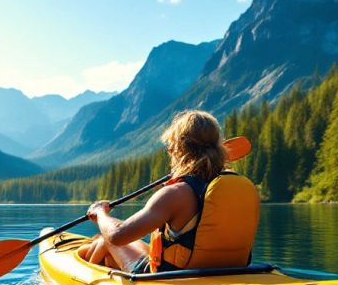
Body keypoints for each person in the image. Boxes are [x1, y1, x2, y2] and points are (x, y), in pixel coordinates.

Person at [78, 110, 260, 273]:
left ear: (179, 149)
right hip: (231, 271)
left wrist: (100, 212)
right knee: (106, 241)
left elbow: (117, 236)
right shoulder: (233, 186)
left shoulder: (176, 193)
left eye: (170, 146)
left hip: (173, 279)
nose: (169, 151)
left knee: (107, 238)